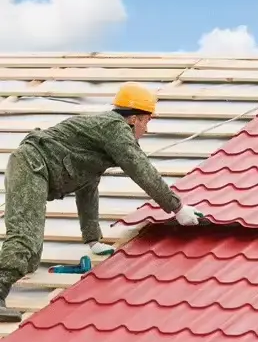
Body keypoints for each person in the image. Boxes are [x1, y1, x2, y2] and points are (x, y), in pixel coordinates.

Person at [0, 82, 202, 322]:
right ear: (134, 119)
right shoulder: (115, 130)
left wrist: (93, 238)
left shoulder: (98, 140)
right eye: (147, 121)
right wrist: (177, 207)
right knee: (25, 241)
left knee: (31, 256)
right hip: (32, 167)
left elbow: (88, 186)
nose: (146, 130)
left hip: (34, 167)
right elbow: (142, 170)